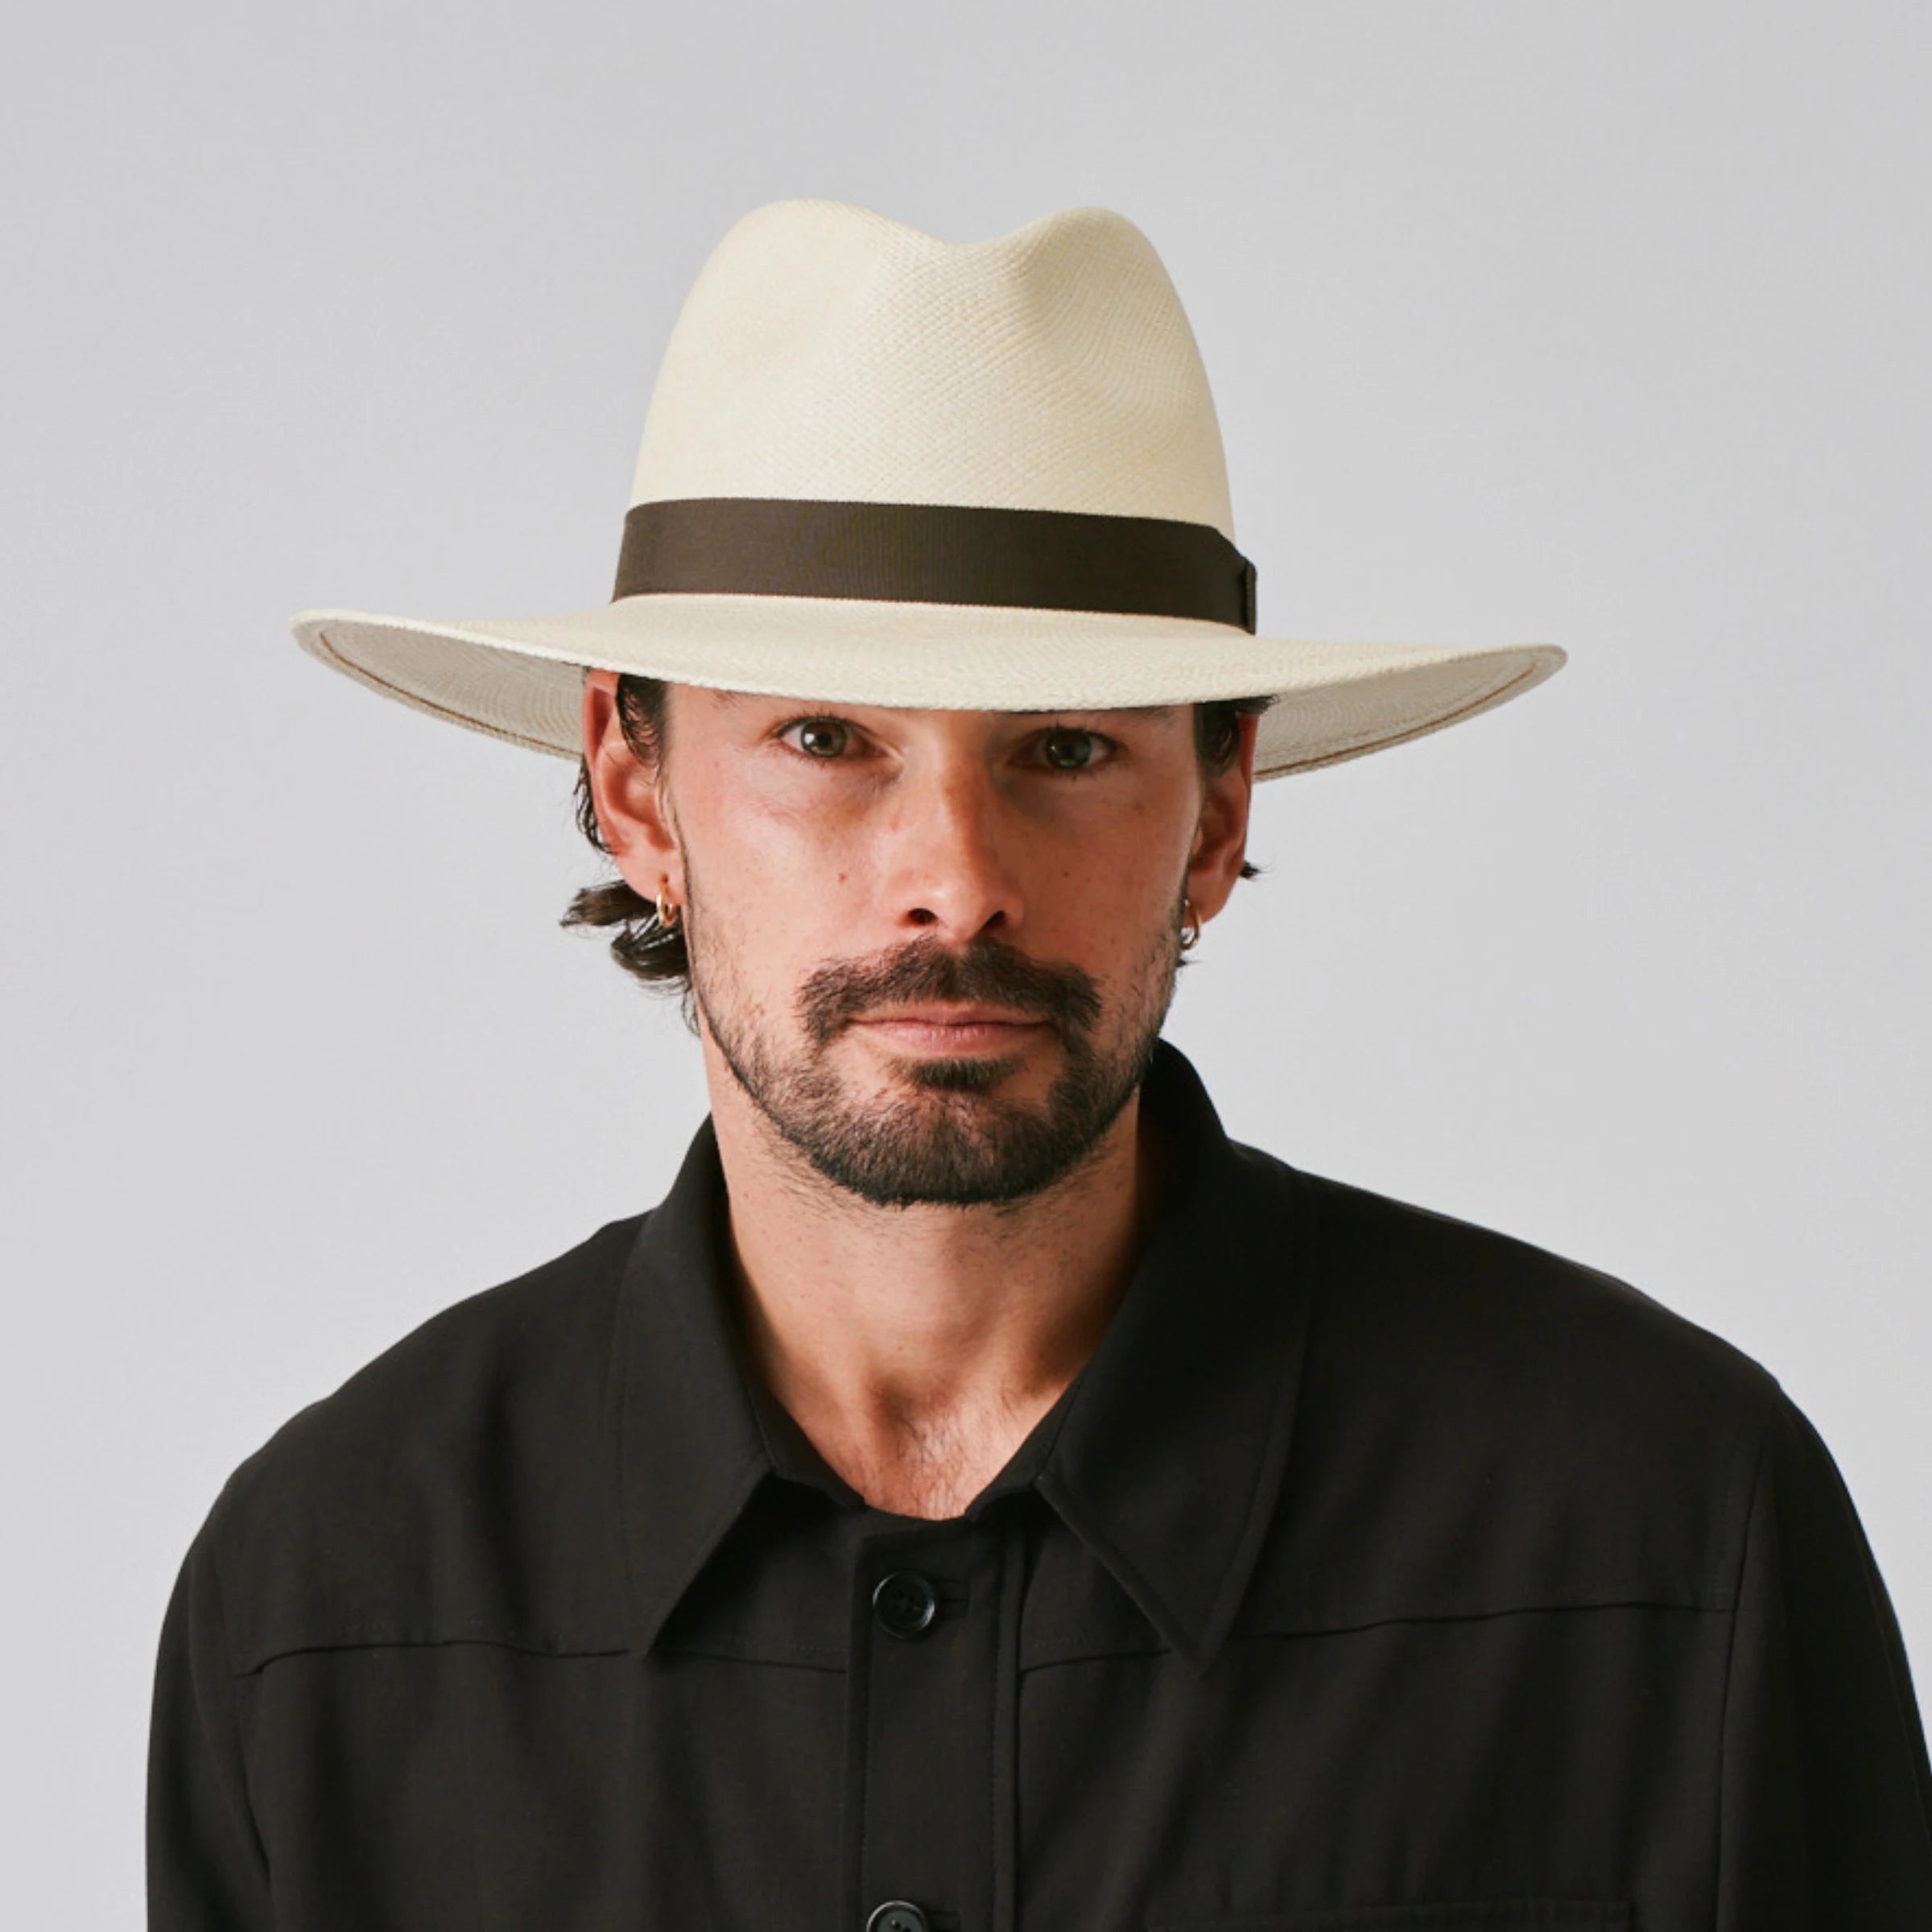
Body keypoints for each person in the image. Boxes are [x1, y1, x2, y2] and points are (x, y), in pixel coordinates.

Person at [148, 200, 1932, 1931]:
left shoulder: (1669, 1543)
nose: (958, 879)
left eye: (1066, 747)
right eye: (827, 739)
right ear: (637, 790)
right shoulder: (328, 1607)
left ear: (1220, 808)